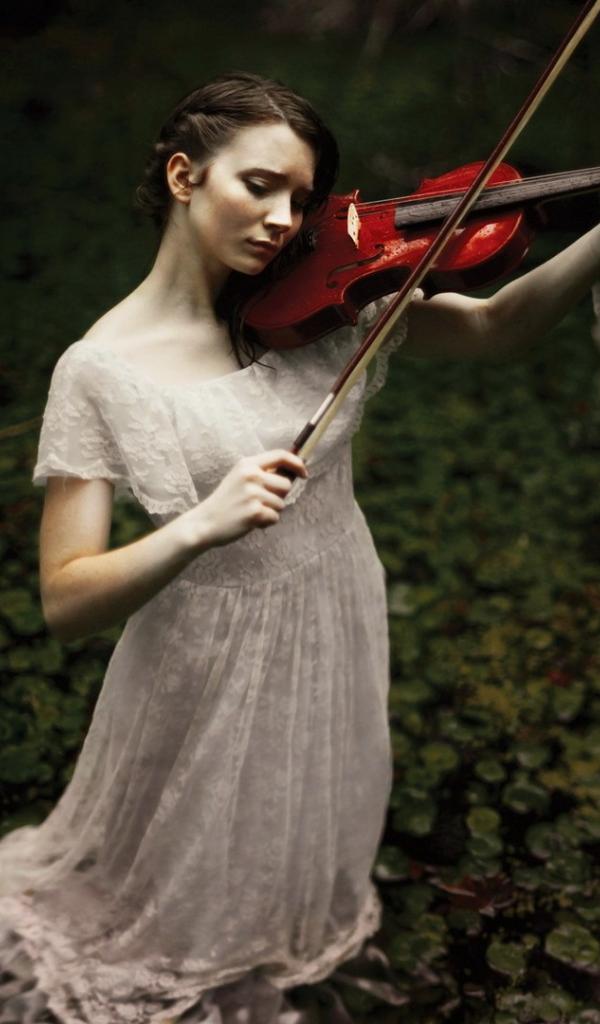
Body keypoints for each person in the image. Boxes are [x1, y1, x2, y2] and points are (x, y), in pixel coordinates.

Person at [0, 71, 599, 1024]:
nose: (285, 221)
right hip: (211, 647)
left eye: (303, 199)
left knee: (305, 795)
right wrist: (200, 524)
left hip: (334, 593)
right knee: (197, 846)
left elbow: (494, 325)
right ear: (185, 175)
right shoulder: (100, 370)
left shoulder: (318, 306)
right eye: (259, 185)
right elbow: (66, 598)